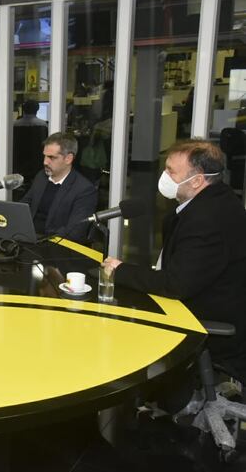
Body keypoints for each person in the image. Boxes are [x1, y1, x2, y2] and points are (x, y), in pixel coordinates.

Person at [102, 140, 246, 379]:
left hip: (206, 323)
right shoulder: (213, 201)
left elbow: (175, 283)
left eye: (171, 171)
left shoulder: (207, 220)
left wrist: (120, 270)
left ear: (198, 180)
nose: (164, 177)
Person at [20, 132, 97, 243]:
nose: (45, 162)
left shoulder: (84, 190)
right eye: (45, 156)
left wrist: (39, 240)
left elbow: (75, 232)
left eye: (51, 157)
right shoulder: (41, 176)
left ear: (68, 159)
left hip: (54, 246)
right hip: (27, 238)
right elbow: (24, 206)